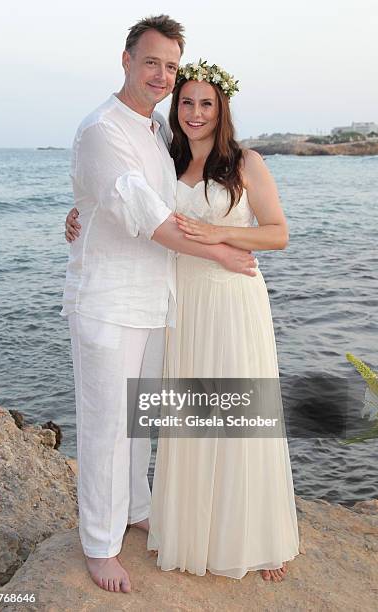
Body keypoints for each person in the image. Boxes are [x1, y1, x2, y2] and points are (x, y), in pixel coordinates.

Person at [66, 58, 300, 583]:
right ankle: (193, 526)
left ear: (223, 110)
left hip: (232, 297)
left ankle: (255, 533)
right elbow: (128, 203)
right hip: (181, 301)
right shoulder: (165, 160)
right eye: (187, 102)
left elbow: (277, 233)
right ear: (177, 108)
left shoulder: (245, 162)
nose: (195, 113)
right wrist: (81, 213)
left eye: (206, 104)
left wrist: (220, 237)